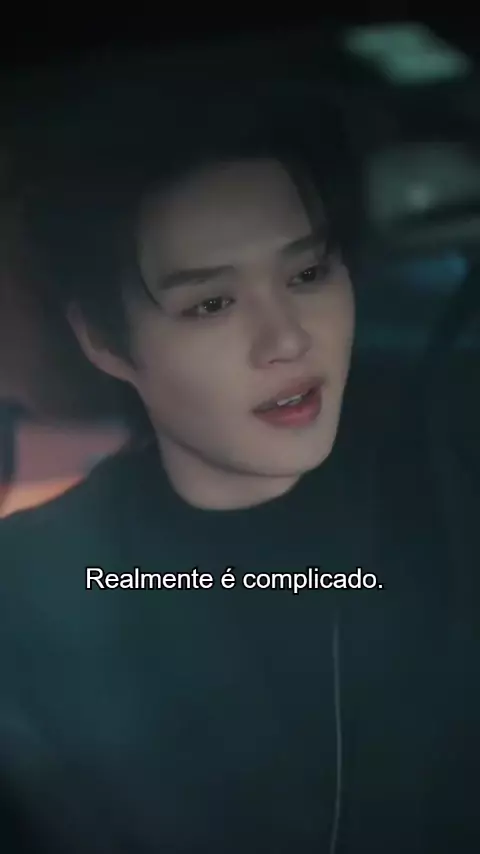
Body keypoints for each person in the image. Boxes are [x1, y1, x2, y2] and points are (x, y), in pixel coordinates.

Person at [0, 67, 457, 853]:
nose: (286, 339)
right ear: (105, 341)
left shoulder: (449, 496)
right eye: (212, 303)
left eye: (308, 273)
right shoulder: (33, 595)